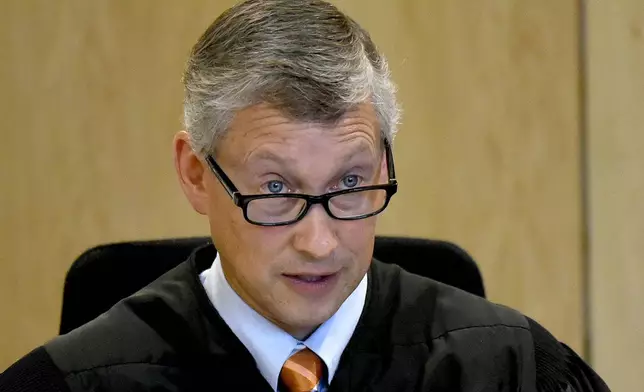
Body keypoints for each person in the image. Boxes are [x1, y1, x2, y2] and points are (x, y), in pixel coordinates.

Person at [0, 0, 609, 391]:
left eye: (349, 184)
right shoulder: (71, 385)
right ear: (194, 173)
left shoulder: (514, 370)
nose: (320, 243)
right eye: (275, 189)